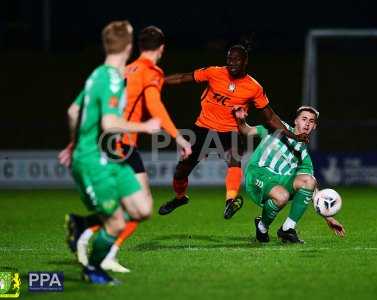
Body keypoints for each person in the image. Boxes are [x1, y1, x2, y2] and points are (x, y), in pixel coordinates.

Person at [60, 25, 192, 273]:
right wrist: (179, 138)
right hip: (121, 144)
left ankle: (87, 231)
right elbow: (155, 106)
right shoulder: (150, 71)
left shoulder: (123, 70)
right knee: (140, 207)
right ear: (161, 49)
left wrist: (73, 142)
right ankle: (102, 249)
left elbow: (88, 109)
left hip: (109, 142)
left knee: (138, 205)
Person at [158, 44, 309, 219]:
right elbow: (184, 77)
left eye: (236, 60)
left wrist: (293, 135)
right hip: (203, 128)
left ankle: (231, 200)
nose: (232, 63)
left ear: (245, 61)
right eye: (229, 59)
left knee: (234, 158)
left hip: (230, 131)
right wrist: (159, 81)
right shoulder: (214, 72)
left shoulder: (253, 87)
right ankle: (179, 198)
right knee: (181, 171)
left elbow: (270, 117)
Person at [65, 20, 161, 284]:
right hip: (93, 161)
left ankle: (82, 224)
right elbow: (109, 123)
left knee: (142, 208)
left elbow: (73, 112)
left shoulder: (97, 74)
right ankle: (93, 269)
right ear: (129, 47)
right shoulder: (111, 80)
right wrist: (146, 126)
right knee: (117, 223)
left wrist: (73, 142)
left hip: (107, 157)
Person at [233, 105, 345, 243]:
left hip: (278, 182)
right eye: (304, 119)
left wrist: (329, 217)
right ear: (295, 121)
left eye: (311, 121)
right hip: (258, 174)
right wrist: (241, 120)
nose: (307, 123)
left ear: (314, 126)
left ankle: (287, 229)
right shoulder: (276, 128)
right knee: (282, 196)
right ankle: (263, 226)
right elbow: (246, 130)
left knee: (309, 181)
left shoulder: (304, 157)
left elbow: (313, 191)